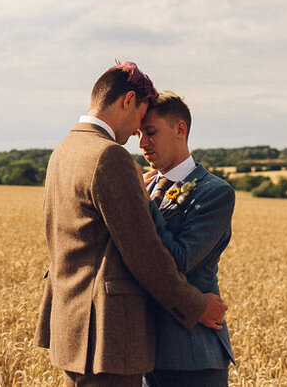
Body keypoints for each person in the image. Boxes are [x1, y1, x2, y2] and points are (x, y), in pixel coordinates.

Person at [35, 62, 227, 386]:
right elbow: (144, 253)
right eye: (140, 120)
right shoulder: (108, 156)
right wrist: (195, 305)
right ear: (128, 101)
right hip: (107, 336)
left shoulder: (64, 150)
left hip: (74, 328)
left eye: (148, 131)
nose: (137, 139)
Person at [139, 92, 235, 387]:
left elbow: (179, 260)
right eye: (139, 134)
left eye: (151, 133)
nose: (142, 144)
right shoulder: (145, 185)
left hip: (191, 355)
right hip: (141, 352)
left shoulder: (215, 192)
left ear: (180, 129)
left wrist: (142, 203)